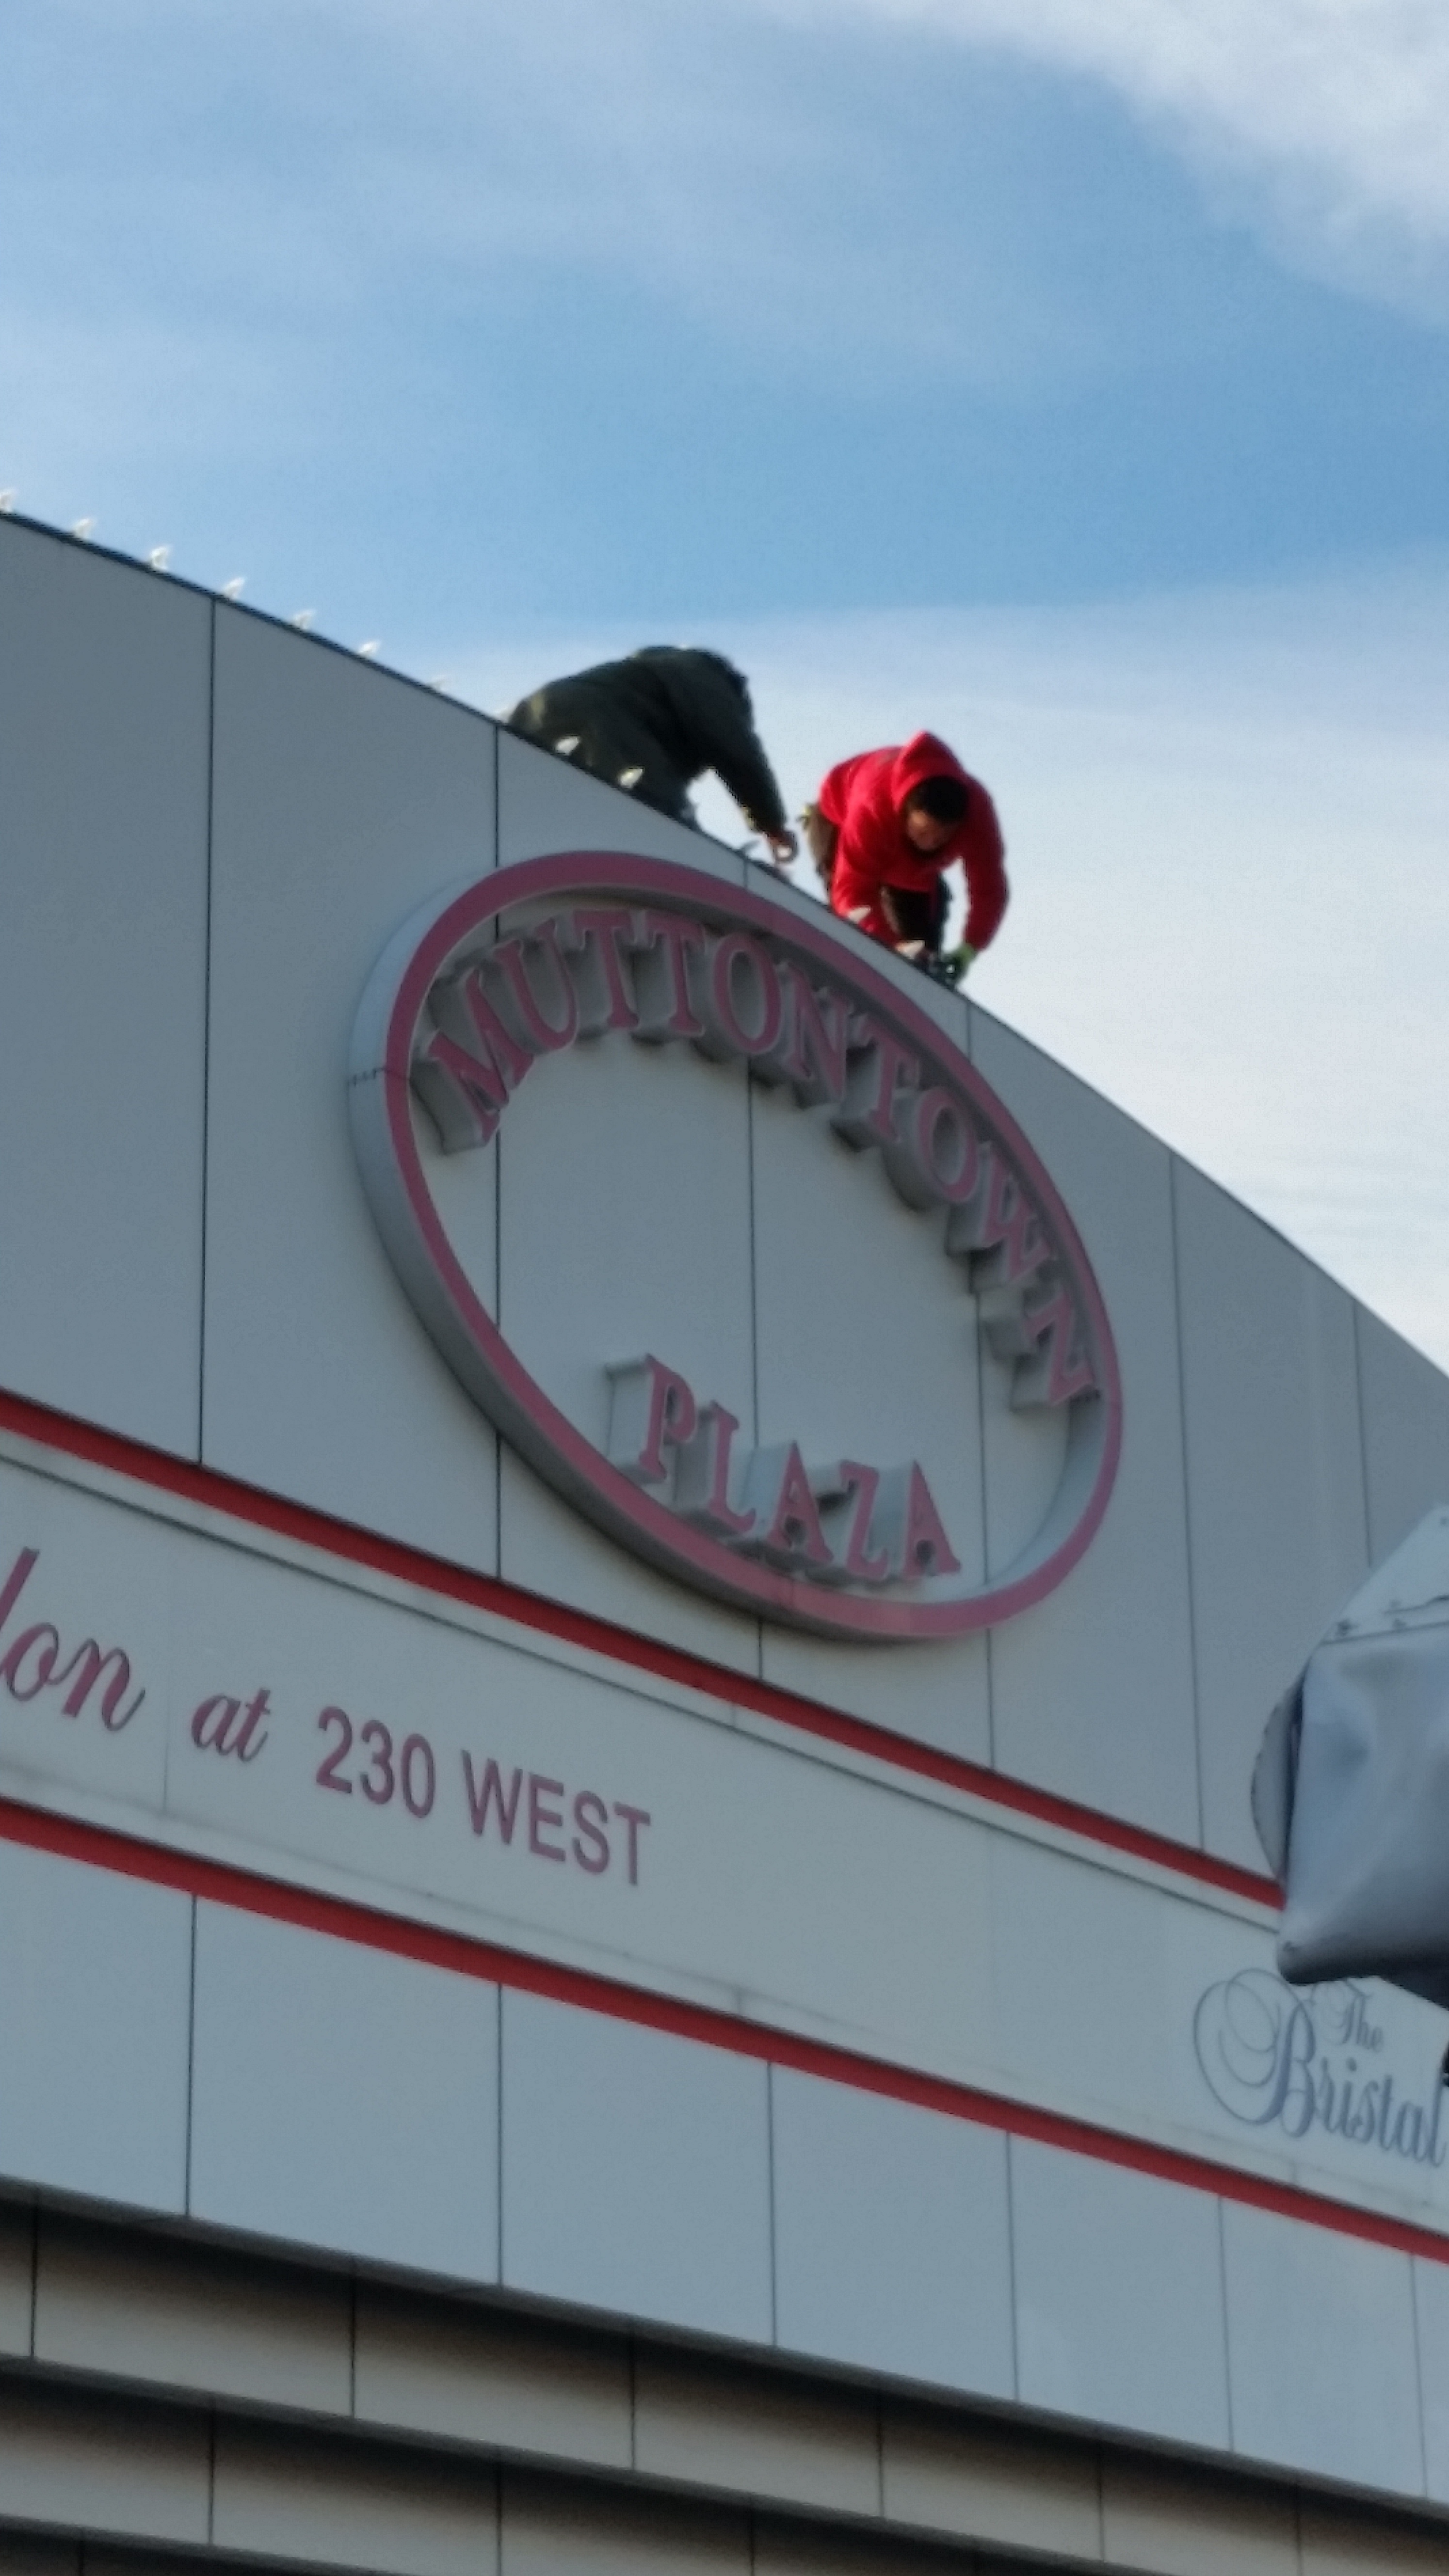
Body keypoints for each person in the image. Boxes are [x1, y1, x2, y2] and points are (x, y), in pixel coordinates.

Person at [504, 646, 797, 863]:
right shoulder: (705, 675)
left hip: (534, 717)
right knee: (663, 826)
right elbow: (734, 746)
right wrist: (771, 823)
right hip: (600, 721)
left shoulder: (650, 678)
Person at [803, 730, 1007, 978]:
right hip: (840, 821)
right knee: (853, 927)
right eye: (923, 833)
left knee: (922, 956)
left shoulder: (977, 813)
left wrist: (971, 946)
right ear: (906, 812)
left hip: (912, 870)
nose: (930, 844)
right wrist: (888, 946)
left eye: (942, 838)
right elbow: (851, 893)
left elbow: (989, 886)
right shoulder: (872, 806)